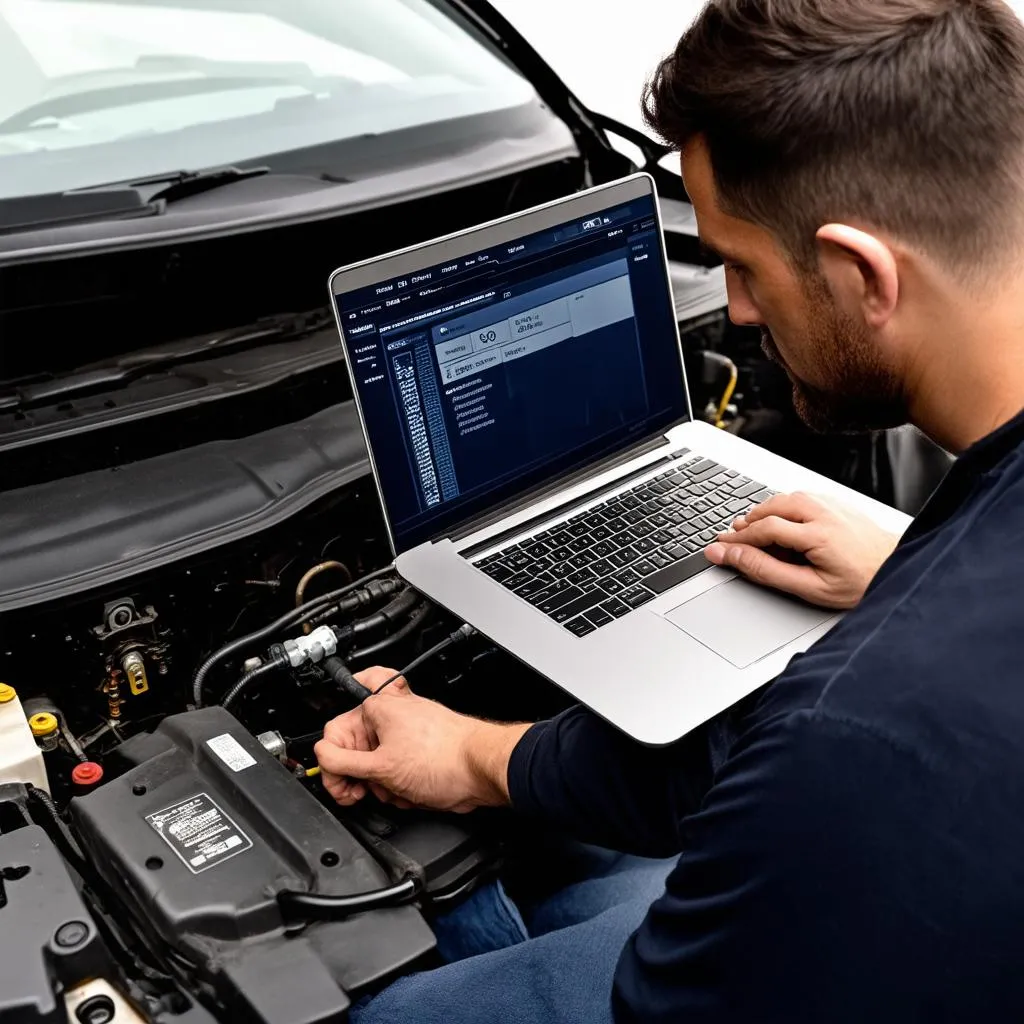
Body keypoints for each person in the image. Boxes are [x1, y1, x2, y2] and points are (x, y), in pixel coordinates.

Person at [316, 1, 1024, 1019]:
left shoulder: (855, 740)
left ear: (861, 273)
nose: (732, 309)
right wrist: (912, 568)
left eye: (740, 263)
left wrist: (909, 613)